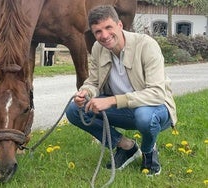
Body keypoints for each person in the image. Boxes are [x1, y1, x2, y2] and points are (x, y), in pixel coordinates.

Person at [66, 5, 177, 176]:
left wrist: (111, 100)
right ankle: (126, 147)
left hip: (156, 109)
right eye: (98, 31)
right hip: (124, 110)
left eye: (108, 27)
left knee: (144, 117)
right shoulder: (97, 48)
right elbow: (93, 81)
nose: (104, 36)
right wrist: (86, 92)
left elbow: (157, 93)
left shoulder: (146, 45)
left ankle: (149, 151)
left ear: (120, 25)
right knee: (75, 110)